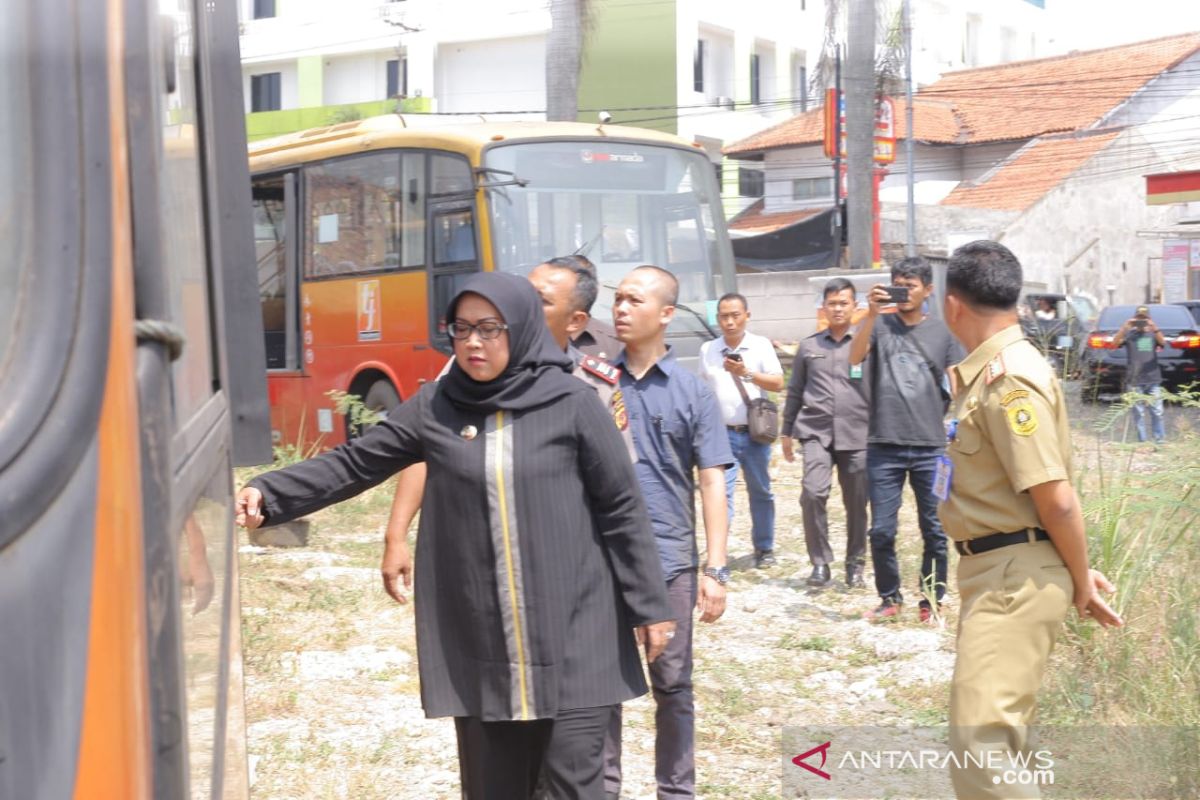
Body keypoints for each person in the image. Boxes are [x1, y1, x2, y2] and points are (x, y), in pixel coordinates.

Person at [236, 272, 675, 799]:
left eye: (490, 328)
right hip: (484, 640)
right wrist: (270, 492)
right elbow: (356, 463)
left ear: (521, 329)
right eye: (461, 328)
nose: (473, 341)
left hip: (578, 632)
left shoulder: (573, 403)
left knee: (573, 787)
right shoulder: (437, 407)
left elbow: (622, 507)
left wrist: (650, 605)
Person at [939, 240, 1122, 798]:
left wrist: (1080, 576)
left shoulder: (1008, 380)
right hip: (1001, 572)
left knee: (981, 748)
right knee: (989, 745)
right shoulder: (994, 373)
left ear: (952, 306)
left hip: (1013, 576)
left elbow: (1056, 499)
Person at [380, 256, 634, 605]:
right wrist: (396, 535)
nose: (520, 308)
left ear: (576, 321)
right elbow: (423, 447)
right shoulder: (470, 370)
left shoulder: (594, 385)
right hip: (485, 558)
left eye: (539, 302)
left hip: (570, 561)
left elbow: (620, 492)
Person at [603, 265, 734, 800]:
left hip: (671, 561)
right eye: (618, 299)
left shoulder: (692, 392)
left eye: (634, 300)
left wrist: (716, 567)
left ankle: (675, 791)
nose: (621, 309)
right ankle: (599, 789)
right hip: (602, 559)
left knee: (674, 685)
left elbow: (711, 481)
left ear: (664, 314)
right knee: (599, 686)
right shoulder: (594, 383)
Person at [849, 257, 964, 623]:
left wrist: (959, 421)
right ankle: (889, 598)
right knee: (881, 528)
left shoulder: (943, 334)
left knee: (934, 527)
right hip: (884, 444)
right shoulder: (880, 325)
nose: (903, 292)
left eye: (910, 285)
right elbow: (854, 358)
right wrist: (870, 313)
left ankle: (931, 600)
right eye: (898, 284)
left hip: (930, 447)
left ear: (929, 290)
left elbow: (957, 381)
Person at [780, 278, 870, 589]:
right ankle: (820, 562)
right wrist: (786, 432)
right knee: (813, 493)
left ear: (855, 307)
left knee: (857, 502)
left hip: (856, 433)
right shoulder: (809, 346)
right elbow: (794, 391)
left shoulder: (864, 344)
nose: (837, 308)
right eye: (832, 303)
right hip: (815, 431)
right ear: (824, 308)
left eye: (843, 303)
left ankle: (855, 564)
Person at [698, 293, 784, 569]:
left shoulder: (760, 346)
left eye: (735, 315)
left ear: (747, 315)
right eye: (724, 316)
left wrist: (746, 373)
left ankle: (765, 547)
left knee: (760, 491)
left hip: (754, 434)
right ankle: (718, 554)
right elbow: (703, 391)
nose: (730, 322)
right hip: (720, 435)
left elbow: (777, 383)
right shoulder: (708, 350)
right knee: (721, 494)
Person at [1111, 304, 1167, 445]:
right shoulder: (1130, 336)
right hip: (1135, 380)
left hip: (1153, 378)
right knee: (1138, 413)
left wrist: (1154, 327)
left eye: (1144, 318)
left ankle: (1159, 440)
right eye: (1139, 318)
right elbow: (1113, 344)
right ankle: (1142, 441)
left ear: (1149, 318)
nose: (1141, 320)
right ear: (1135, 318)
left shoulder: (1153, 335)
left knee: (1157, 412)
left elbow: (1163, 343)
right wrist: (1125, 327)